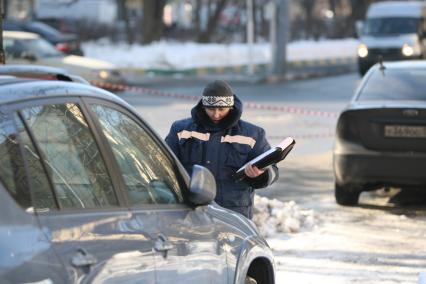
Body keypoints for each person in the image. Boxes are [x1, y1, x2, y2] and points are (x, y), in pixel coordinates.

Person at [165, 80, 278, 219]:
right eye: (211, 109)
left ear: (230, 107)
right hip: (190, 209)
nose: (216, 114)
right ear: (203, 106)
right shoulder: (181, 129)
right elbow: (164, 163)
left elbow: (273, 171)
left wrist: (260, 175)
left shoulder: (253, 134)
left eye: (221, 109)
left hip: (234, 213)